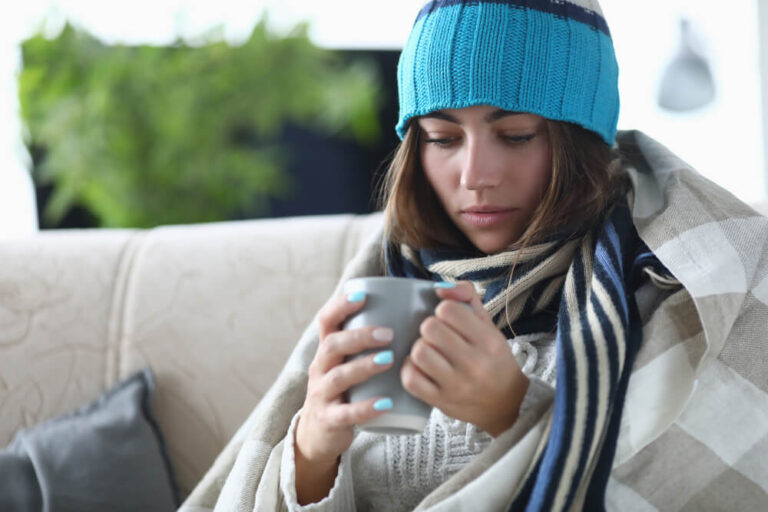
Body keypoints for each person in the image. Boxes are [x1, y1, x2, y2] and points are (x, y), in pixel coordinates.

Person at [181, 1, 768, 511]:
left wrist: (515, 411)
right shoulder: (390, 274)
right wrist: (312, 454)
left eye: (515, 135)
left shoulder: (680, 287)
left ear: (582, 143)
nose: (474, 176)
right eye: (442, 138)